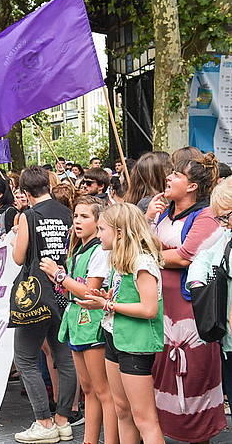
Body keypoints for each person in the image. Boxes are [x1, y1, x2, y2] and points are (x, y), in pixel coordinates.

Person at [145, 155, 227, 442]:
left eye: (176, 175)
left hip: (192, 313)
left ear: (192, 186)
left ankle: (198, 436)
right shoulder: (162, 212)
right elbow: (140, 245)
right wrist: (147, 219)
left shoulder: (206, 216)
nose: (168, 178)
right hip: (159, 310)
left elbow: (184, 257)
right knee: (162, 376)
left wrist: (148, 258)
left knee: (192, 379)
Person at [76, 203, 165, 443]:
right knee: (122, 410)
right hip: (115, 336)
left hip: (136, 343)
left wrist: (107, 305)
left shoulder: (142, 263)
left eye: (102, 228)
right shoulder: (119, 260)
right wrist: (107, 298)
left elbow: (149, 308)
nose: (98, 233)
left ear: (119, 232)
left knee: (144, 418)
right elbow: (127, 298)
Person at [39, 197, 118, 444]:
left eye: (85, 216)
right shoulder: (78, 250)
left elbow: (90, 291)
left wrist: (59, 275)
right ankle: (89, 440)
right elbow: (73, 289)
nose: (78, 221)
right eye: (76, 216)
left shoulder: (99, 251)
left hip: (92, 321)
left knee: (103, 390)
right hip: (76, 321)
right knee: (87, 389)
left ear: (98, 221)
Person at [11, 166, 76, 444]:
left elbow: (18, 257)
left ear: (26, 192)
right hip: (63, 289)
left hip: (36, 293)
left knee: (25, 357)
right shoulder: (66, 212)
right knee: (65, 357)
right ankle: (63, 420)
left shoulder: (29, 215)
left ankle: (43, 421)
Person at [187, 177, 232, 427]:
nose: (224, 224)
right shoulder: (226, 237)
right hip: (228, 339)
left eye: (226, 217)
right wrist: (196, 283)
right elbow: (202, 257)